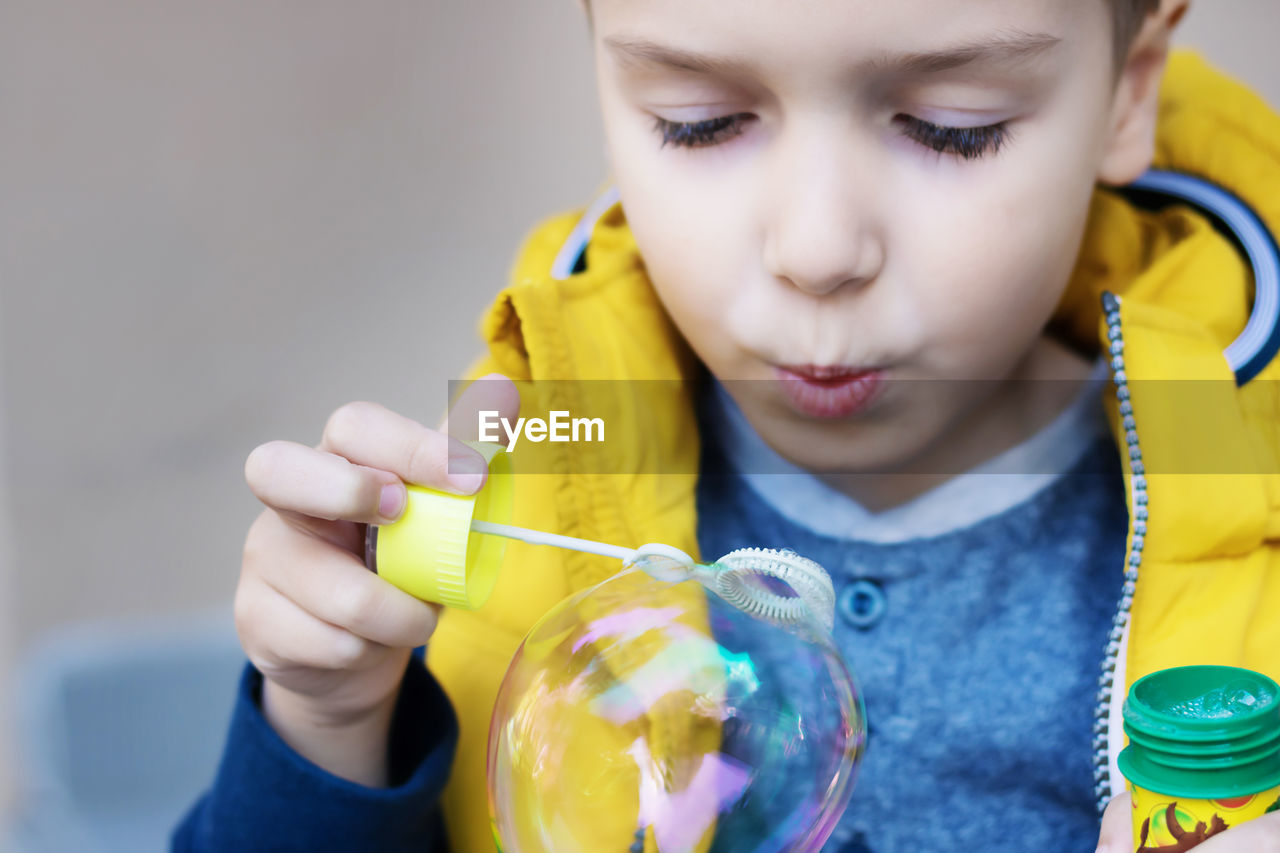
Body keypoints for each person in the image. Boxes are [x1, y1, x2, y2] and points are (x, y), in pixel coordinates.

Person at [174, 0, 1280, 849]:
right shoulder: (535, 460)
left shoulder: (1250, 494)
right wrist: (327, 723)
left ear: (1126, 94)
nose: (814, 248)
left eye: (952, 131)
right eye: (697, 123)